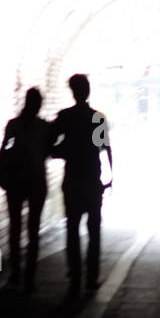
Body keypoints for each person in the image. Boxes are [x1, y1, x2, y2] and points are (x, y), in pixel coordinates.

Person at [49, 73, 113, 300]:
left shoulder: (65, 117)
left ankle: (75, 279)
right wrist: (110, 177)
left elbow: (50, 145)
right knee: (94, 230)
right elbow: (103, 148)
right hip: (92, 180)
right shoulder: (96, 118)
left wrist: (64, 151)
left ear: (73, 91)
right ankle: (92, 278)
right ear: (88, 91)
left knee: (73, 230)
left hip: (73, 180)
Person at [0, 87, 50, 292]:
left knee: (15, 228)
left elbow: (5, 148)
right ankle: (29, 277)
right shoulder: (43, 128)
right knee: (33, 231)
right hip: (35, 182)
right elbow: (52, 149)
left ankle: (16, 273)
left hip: (16, 182)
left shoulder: (14, 126)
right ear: (37, 104)